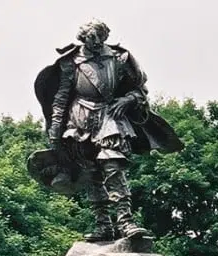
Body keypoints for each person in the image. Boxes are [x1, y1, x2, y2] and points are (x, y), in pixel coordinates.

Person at [31, 19, 183, 242]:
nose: (96, 45)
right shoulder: (71, 61)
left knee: (113, 165)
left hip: (110, 116)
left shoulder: (120, 57)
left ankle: (126, 222)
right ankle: (103, 225)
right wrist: (55, 128)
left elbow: (140, 91)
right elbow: (62, 97)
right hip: (80, 119)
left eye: (100, 40)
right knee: (91, 172)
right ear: (83, 39)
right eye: (91, 41)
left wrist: (128, 99)